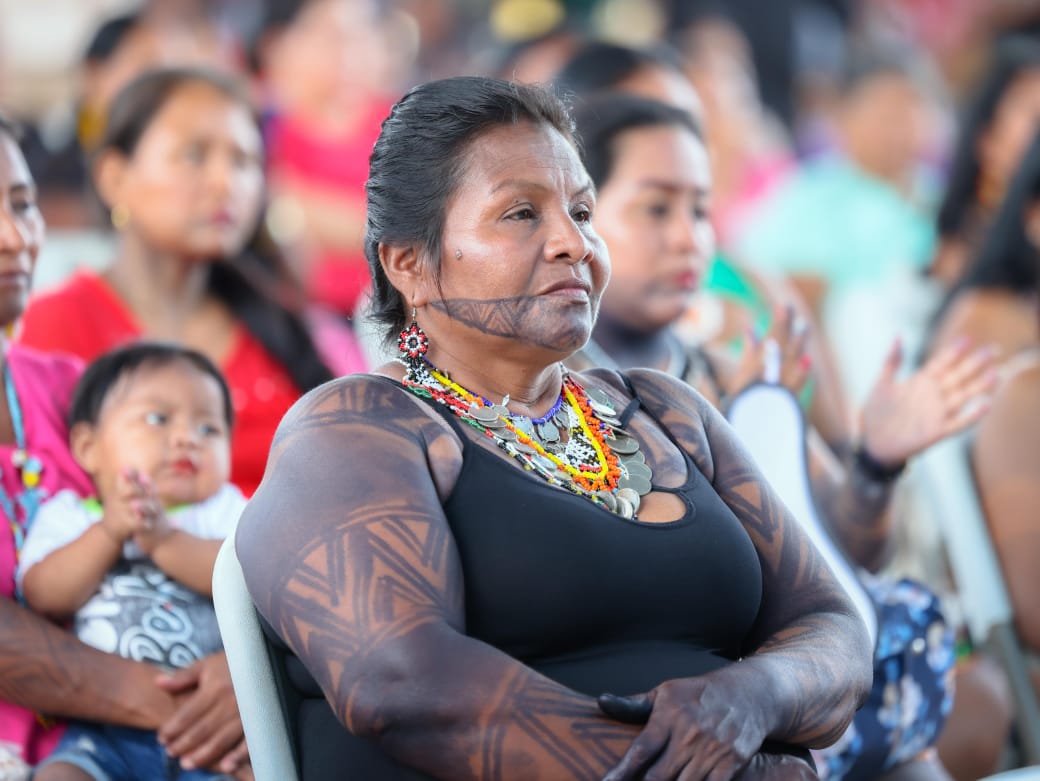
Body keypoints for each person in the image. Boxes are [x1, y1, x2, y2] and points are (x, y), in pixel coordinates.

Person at [236, 75, 874, 781]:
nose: (574, 242)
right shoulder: (356, 427)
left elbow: (834, 629)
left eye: (582, 211)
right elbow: (403, 685)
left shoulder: (667, 411)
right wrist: (722, 773)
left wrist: (754, 696)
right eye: (520, 214)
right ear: (408, 263)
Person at [568, 92, 1002, 780]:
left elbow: (851, 552)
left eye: (702, 210)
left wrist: (876, 463)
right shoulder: (554, 396)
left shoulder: (727, 370)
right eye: (656, 208)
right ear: (577, 220)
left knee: (949, 706)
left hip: (804, 690)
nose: (689, 238)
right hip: (699, 705)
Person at [0, 113, 248, 777]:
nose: (13, 236)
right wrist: (187, 709)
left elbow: (266, 572)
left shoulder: (73, 389)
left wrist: (247, 668)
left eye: (21, 204)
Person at [17, 66, 363, 497]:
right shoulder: (53, 329)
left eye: (244, 161)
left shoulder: (291, 325)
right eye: (194, 155)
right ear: (114, 177)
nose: (226, 183)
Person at [18, 342, 244, 780]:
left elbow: (244, 579)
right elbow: (44, 596)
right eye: (158, 419)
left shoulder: (224, 510)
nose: (185, 438)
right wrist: (108, 533)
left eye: (209, 429)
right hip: (105, 731)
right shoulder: (73, 514)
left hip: (210, 727)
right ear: (88, 448)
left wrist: (164, 541)